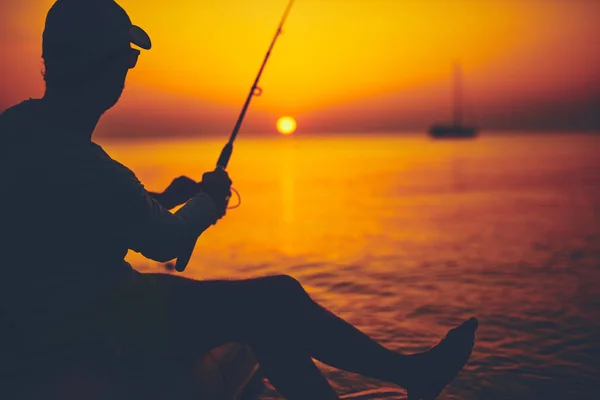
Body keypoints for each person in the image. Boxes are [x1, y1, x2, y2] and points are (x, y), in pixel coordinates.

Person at [0, 1, 478, 399]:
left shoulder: (16, 130)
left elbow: (72, 211)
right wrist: (209, 202)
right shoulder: (89, 168)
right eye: (128, 59)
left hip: (59, 312)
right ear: (107, 71)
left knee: (265, 314)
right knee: (278, 297)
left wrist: (159, 197)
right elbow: (162, 242)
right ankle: (414, 376)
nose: (127, 71)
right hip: (89, 322)